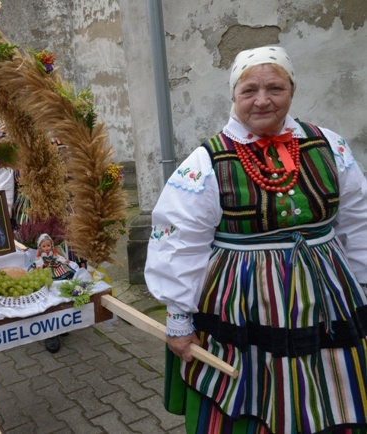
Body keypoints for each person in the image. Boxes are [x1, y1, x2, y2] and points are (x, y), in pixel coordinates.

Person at [144, 45, 367, 433]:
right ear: (234, 95)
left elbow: (358, 220)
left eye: (275, 88)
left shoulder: (328, 145)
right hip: (244, 303)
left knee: (335, 378)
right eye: (249, 90)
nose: (262, 100)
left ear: (292, 91)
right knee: (254, 390)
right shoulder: (207, 161)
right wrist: (179, 316)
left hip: (329, 296)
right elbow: (180, 242)